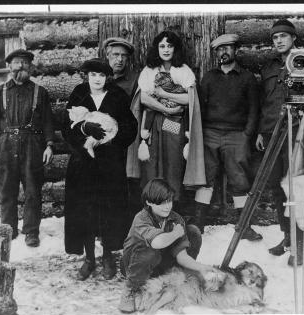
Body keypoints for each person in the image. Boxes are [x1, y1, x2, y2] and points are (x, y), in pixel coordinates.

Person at [62, 59, 137, 280]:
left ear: (107, 77)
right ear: (87, 76)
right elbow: (66, 128)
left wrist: (111, 142)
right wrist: (83, 128)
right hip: (82, 163)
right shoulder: (78, 94)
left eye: (102, 76)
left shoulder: (117, 96)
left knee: (108, 209)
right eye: (93, 75)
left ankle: (107, 256)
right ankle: (89, 258)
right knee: (84, 209)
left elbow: (130, 127)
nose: (97, 79)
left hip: (109, 164)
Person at [192, 34, 262, 240]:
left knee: (239, 179)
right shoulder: (209, 77)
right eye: (220, 49)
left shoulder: (247, 78)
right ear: (216, 53)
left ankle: (244, 226)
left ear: (235, 50)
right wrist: (201, 133)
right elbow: (201, 108)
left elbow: (254, 110)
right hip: (210, 134)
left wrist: (246, 135)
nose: (224, 52)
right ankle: (198, 223)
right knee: (206, 177)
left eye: (228, 48)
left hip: (236, 135)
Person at [133, 30, 205, 211]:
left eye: (170, 46)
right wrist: (166, 107)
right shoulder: (149, 71)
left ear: (175, 49)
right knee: (152, 164)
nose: (166, 50)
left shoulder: (183, 71)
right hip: (153, 123)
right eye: (162, 46)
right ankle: (152, 207)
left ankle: (172, 208)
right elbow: (143, 98)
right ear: (157, 48)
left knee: (173, 163)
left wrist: (163, 94)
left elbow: (189, 99)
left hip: (174, 124)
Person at [118, 178, 215, 313]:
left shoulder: (175, 219)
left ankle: (176, 277)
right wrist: (175, 234)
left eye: (169, 201)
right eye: (162, 203)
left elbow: (182, 256)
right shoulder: (141, 218)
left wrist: (202, 268)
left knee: (193, 232)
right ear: (148, 202)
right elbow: (157, 242)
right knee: (151, 252)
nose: (168, 206)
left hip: (159, 263)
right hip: (135, 266)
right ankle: (131, 289)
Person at [0, 49, 55, 247]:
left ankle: (31, 232)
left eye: (25, 63)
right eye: (17, 62)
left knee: (33, 190)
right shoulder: (0, 92)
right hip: (6, 146)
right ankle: (7, 229)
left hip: (33, 146)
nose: (21, 66)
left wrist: (49, 146)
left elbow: (48, 123)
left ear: (31, 67)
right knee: (6, 190)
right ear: (10, 67)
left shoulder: (40, 92)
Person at [255, 19, 304, 266]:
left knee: (296, 187)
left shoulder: (303, 61)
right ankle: (287, 236)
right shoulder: (268, 67)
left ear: (293, 38)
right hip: (272, 134)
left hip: (296, 133)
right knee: (277, 187)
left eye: (284, 36)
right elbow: (266, 103)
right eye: (275, 38)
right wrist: (261, 132)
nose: (279, 41)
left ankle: (300, 243)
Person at [102, 37, 143, 217]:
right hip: (102, 138)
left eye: (124, 56)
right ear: (107, 55)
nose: (119, 59)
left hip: (125, 140)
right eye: (115, 55)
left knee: (129, 182)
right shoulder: (99, 77)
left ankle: (128, 226)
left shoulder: (135, 79)